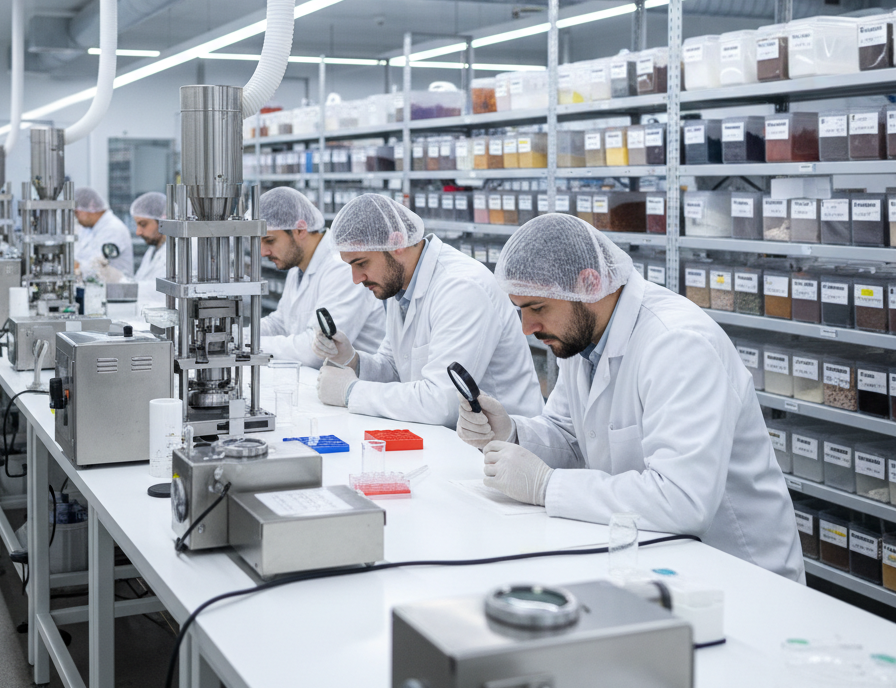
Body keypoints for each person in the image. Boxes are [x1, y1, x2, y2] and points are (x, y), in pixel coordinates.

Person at [456, 213, 803, 581]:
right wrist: (512, 432)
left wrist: (545, 486)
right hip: (651, 556)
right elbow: (572, 435)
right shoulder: (584, 336)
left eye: (538, 308)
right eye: (520, 310)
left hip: (738, 573)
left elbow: (682, 499)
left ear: (588, 284)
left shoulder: (678, 343)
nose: (528, 328)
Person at [314, 193, 544, 426]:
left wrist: (351, 391)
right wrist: (354, 361)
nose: (356, 279)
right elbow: (395, 367)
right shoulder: (400, 285)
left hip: (499, 446)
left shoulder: (461, 287)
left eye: (362, 263)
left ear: (396, 244)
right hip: (449, 438)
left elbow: (442, 404)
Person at [259, 188, 385, 369]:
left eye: (270, 241)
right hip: (319, 379)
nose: (263, 252)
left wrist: (250, 346)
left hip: (360, 383)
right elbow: (280, 322)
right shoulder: (297, 269)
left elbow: (316, 351)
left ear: (300, 230)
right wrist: (238, 336)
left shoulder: (342, 267)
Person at [74, 186, 134, 278]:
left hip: (114, 290)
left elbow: (95, 268)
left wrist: (74, 266)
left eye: (77, 213)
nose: (76, 218)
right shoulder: (87, 229)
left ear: (91, 206)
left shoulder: (113, 229)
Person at [130, 191, 168, 282]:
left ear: (163, 221)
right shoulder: (153, 249)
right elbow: (139, 282)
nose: (138, 232)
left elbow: (155, 292)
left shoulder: (177, 253)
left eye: (143, 225)